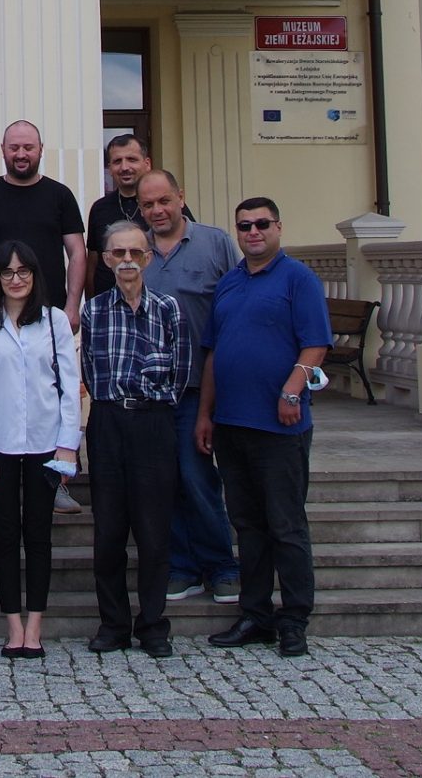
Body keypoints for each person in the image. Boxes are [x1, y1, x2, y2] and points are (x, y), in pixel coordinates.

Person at [200, 196, 333, 660]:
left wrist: (292, 391)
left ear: (278, 227)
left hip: (280, 425)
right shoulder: (230, 282)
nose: (252, 232)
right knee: (248, 526)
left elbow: (315, 343)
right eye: (244, 226)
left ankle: (293, 619)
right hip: (232, 424)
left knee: (286, 526)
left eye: (261, 224)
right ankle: (255, 614)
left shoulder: (299, 279)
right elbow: (215, 352)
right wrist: (205, 414)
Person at [0, 239, 80, 660]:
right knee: (5, 534)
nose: (16, 280)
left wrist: (68, 447)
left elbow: (70, 388)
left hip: (46, 444)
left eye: (24, 272)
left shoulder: (52, 322)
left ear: (35, 276)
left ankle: (36, 626)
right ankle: (12, 625)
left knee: (39, 535)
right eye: (7, 273)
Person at [82, 220, 190, 658]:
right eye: (118, 254)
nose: (127, 261)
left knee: (153, 530)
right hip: (108, 423)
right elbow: (88, 369)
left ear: (147, 257)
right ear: (106, 260)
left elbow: (180, 375)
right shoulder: (93, 311)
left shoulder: (169, 309)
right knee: (108, 531)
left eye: (135, 253)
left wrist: (149, 403)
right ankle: (113, 625)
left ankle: (153, 625)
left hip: (153, 424)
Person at [136, 167, 241, 606]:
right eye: (148, 205)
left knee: (197, 478)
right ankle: (181, 566)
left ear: (180, 197)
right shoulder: (135, 250)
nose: (157, 210)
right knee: (164, 482)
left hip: (200, 388)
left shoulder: (214, 243)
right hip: (150, 393)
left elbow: (238, 308)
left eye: (164, 201)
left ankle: (222, 566)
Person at [0, 120, 86, 319]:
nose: (20, 154)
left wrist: (72, 306)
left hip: (50, 311)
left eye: (28, 148)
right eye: (13, 148)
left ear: (41, 149)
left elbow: (77, 252)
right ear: (3, 150)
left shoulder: (61, 196)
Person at [83, 133, 153, 297]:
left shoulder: (162, 206)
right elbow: (92, 263)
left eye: (131, 159)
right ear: (110, 168)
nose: (124, 167)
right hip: (107, 307)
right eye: (117, 161)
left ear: (147, 163)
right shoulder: (99, 208)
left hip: (151, 306)